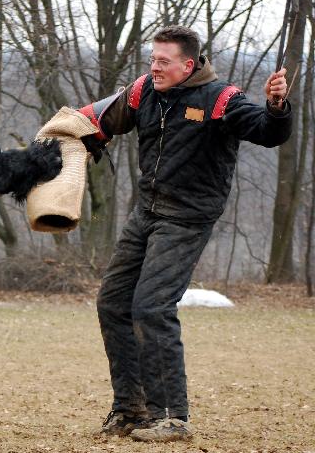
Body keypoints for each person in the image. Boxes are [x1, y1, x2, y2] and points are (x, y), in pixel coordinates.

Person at [77, 25, 292, 442]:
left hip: (188, 217)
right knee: (113, 302)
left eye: (163, 61)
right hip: (147, 211)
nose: (154, 67)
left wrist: (276, 106)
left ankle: (172, 417)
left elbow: (268, 133)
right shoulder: (144, 91)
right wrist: (65, 136)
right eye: (152, 59)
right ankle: (130, 409)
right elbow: (102, 119)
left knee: (152, 306)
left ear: (188, 65)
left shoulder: (222, 100)